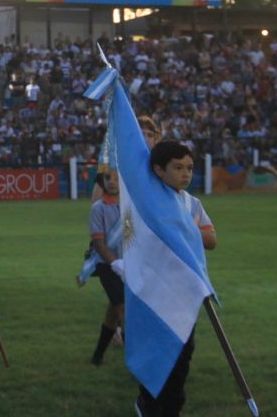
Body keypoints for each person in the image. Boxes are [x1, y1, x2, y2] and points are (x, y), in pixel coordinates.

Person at [136, 140, 216, 417]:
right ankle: (148, 402)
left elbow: (211, 239)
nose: (186, 174)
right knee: (156, 354)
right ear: (159, 170)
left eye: (190, 168)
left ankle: (172, 408)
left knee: (182, 354)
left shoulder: (192, 204)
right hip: (154, 292)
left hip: (184, 294)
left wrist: (189, 228)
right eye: (178, 167)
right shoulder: (147, 203)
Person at [77, 169, 124, 366]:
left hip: (129, 265)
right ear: (101, 181)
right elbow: (99, 243)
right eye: (107, 178)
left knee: (113, 312)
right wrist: (115, 263)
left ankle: (98, 355)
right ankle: (142, 365)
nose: (112, 182)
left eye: (116, 178)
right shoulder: (98, 208)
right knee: (125, 312)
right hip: (107, 266)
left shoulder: (130, 206)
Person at [91, 115, 160, 202]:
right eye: (141, 134)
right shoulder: (114, 162)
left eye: (150, 135)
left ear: (155, 140)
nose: (145, 138)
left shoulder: (159, 165)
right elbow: (96, 200)